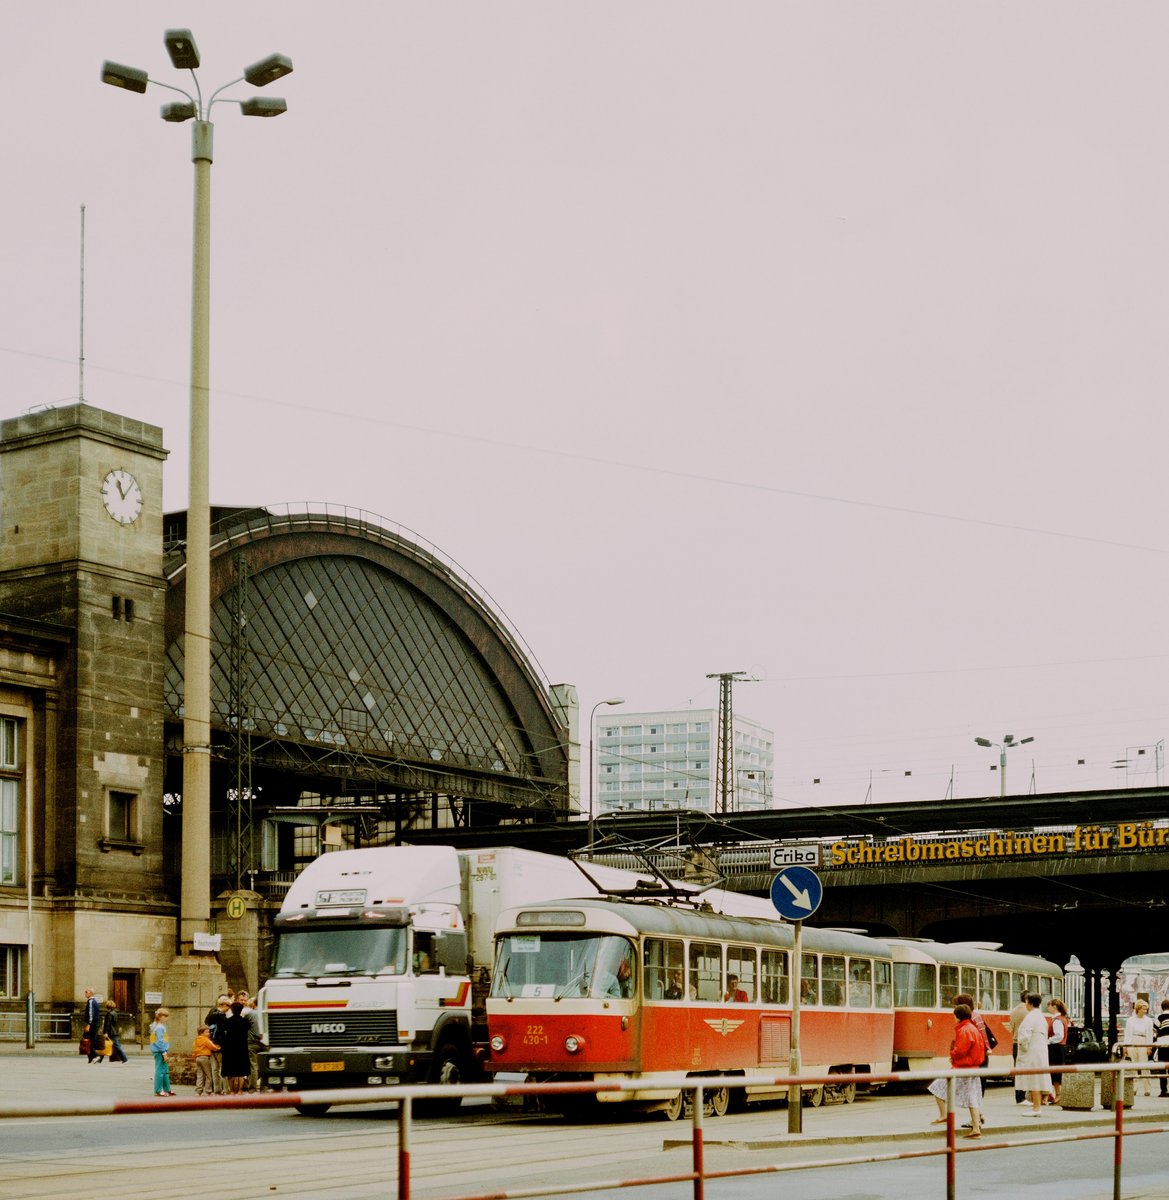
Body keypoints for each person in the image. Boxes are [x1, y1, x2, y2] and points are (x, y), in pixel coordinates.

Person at [927, 1004, 983, 1138]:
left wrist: (952, 1054)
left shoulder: (964, 1030)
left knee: (937, 1087)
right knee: (972, 1098)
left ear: (958, 1016)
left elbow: (961, 1050)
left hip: (962, 1068)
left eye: (954, 1016)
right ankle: (976, 1128)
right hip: (973, 1068)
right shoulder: (973, 1029)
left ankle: (943, 1116)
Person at [1015, 993, 1052, 1116]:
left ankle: (1036, 1108)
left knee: (1034, 1079)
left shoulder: (1030, 1017)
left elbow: (1025, 1036)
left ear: (1029, 1003)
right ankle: (1037, 1106)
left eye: (1026, 1002)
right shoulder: (1041, 1017)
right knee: (1038, 1077)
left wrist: (1023, 1047)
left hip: (1032, 1051)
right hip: (1040, 1049)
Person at [1123, 999, 1155, 1097]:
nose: (1145, 1011)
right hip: (1133, 1040)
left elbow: (1149, 1034)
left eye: (1146, 1009)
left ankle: (1147, 1088)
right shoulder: (1130, 1020)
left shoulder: (1149, 1021)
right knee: (1133, 1065)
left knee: (1144, 1064)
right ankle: (1134, 1087)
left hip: (1143, 1040)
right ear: (1138, 1009)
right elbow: (1127, 1034)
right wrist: (1125, 1046)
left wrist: (1149, 1046)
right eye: (1143, 1009)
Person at [219, 1001, 252, 1094]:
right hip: (242, 1047)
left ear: (232, 1010)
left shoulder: (227, 1021)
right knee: (241, 1070)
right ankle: (240, 1090)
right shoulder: (245, 1022)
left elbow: (222, 1032)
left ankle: (232, 1090)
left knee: (230, 1070)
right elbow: (248, 1029)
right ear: (241, 1010)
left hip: (230, 1048)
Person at [205, 994, 231, 1094]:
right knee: (223, 1069)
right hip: (221, 1046)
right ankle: (226, 1089)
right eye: (228, 1006)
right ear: (224, 1005)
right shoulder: (222, 1017)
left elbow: (206, 1023)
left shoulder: (211, 1014)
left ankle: (217, 1089)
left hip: (212, 1044)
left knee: (214, 1069)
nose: (228, 1009)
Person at [239, 990, 265, 1092]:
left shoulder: (250, 1014)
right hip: (265, 1042)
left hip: (252, 1042)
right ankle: (264, 1087)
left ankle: (252, 1088)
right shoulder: (265, 1013)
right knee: (264, 1065)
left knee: (253, 1065)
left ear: (253, 1004)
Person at [1008, 989, 1029, 1104]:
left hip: (1015, 1042)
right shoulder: (1029, 1012)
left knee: (1018, 1069)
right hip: (1025, 1044)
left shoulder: (1014, 1011)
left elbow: (1010, 1028)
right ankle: (1022, 1096)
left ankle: (1018, 1095)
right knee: (1025, 1071)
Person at [1046, 998, 1069, 1103]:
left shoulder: (1057, 1020)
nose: (1048, 1008)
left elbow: (1059, 1035)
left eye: (1049, 1006)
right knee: (1056, 1071)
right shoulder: (1062, 1018)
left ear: (1054, 1006)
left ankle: (1058, 1094)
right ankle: (1057, 1094)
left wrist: (1048, 1041)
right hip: (1059, 1047)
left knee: (1055, 1072)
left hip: (1056, 1047)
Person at [150, 1007, 174, 1096]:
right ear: (161, 1017)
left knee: (164, 1070)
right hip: (160, 1051)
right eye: (165, 1016)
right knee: (161, 1071)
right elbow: (160, 1041)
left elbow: (154, 1040)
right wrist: (164, 1052)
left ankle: (167, 1089)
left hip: (158, 1050)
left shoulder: (154, 1026)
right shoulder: (160, 1027)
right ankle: (158, 1090)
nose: (167, 1018)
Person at [192, 1024, 221, 1096]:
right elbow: (212, 1046)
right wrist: (218, 1047)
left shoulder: (196, 1040)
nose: (209, 1033)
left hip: (198, 1058)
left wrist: (194, 1057)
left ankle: (198, 1091)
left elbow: (194, 1049)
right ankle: (208, 1090)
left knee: (200, 1075)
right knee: (208, 1075)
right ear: (202, 1033)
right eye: (207, 1032)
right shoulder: (206, 1040)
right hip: (205, 1057)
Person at [102, 999, 128, 1064]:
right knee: (114, 1045)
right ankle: (114, 1059)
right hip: (115, 1031)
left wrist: (106, 1033)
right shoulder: (115, 1013)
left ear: (107, 1006)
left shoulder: (109, 1014)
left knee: (115, 1046)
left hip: (111, 1032)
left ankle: (125, 1059)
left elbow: (107, 1024)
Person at [82, 987, 102, 1063]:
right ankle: (91, 1058)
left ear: (91, 993)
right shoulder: (95, 1002)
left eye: (86, 992)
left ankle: (95, 1056)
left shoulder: (91, 1001)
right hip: (95, 1024)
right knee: (91, 1040)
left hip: (92, 1024)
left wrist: (89, 1024)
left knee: (87, 1039)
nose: (85, 993)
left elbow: (91, 1014)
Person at [1154, 998, 1169, 1098]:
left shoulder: (1159, 1017)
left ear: (1162, 1007)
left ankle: (1164, 1090)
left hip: (1162, 1044)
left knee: (1162, 1067)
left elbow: (1155, 1032)